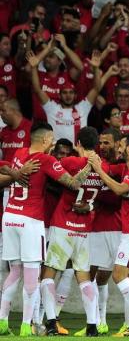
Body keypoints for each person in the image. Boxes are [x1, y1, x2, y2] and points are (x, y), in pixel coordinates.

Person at [0, 122, 92, 337]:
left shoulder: (19, 154)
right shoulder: (45, 159)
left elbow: (3, 168)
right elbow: (73, 183)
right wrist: (90, 166)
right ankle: (27, 326)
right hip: (30, 221)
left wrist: (15, 173)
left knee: (14, 271)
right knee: (32, 275)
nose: (52, 143)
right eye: (51, 139)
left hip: (10, 216)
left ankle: (2, 322)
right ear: (44, 140)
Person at [41, 127, 105, 337]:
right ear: (95, 144)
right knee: (84, 278)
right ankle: (92, 326)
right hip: (84, 229)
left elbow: (51, 175)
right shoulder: (102, 168)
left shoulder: (70, 162)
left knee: (48, 274)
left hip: (62, 225)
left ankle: (50, 323)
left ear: (78, 144)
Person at [89, 134, 129, 337]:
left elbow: (119, 189)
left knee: (119, 275)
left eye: (122, 145)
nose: (118, 147)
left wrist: (98, 170)